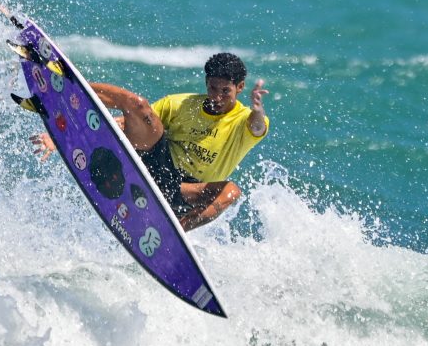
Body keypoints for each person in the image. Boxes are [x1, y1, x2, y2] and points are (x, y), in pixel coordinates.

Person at [32, 52, 270, 231]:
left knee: (232, 191)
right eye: (212, 87)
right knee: (137, 105)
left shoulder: (244, 121)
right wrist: (61, 135)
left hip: (183, 193)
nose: (216, 96)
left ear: (239, 88)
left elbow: (257, 127)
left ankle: (177, 230)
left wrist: (257, 109)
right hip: (153, 167)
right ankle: (69, 86)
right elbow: (128, 124)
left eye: (225, 91)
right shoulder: (180, 104)